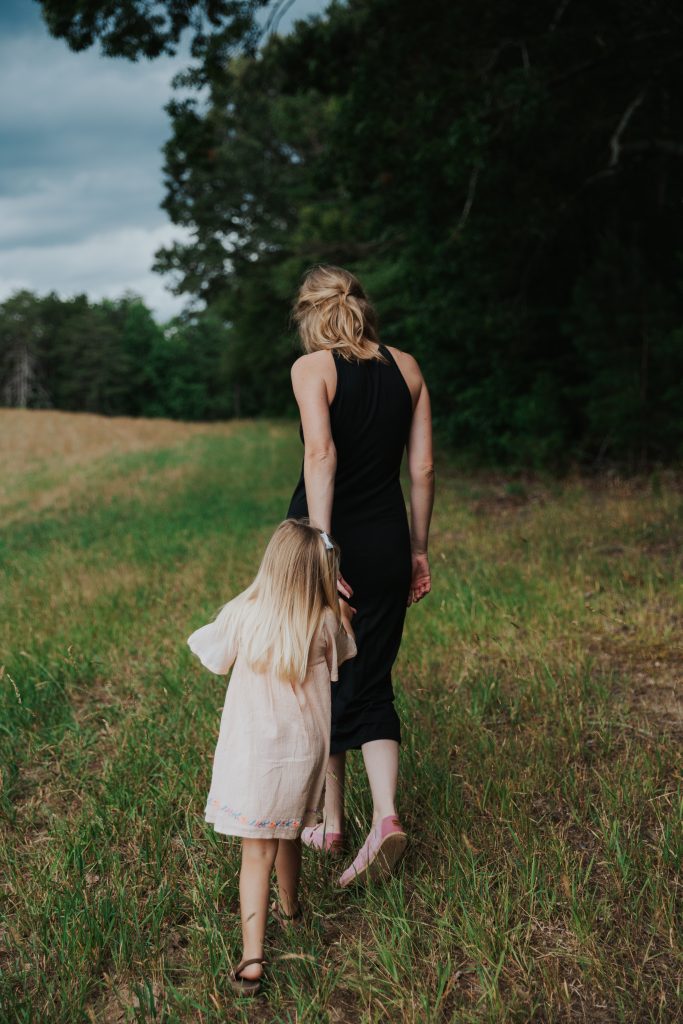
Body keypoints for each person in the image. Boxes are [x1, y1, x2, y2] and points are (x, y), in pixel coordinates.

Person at [286, 264, 435, 888]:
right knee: (370, 675)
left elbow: (321, 453)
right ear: (362, 307)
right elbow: (422, 470)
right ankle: (381, 816)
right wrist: (418, 550)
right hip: (388, 543)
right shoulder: (407, 367)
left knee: (319, 673)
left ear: (309, 314)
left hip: (324, 542)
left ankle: (331, 819)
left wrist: (323, 546)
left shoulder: (311, 368)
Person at [186, 518, 357, 996]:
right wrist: (344, 612)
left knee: (257, 851)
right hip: (302, 755)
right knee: (289, 832)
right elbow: (345, 655)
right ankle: (291, 910)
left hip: (253, 755)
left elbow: (211, 655)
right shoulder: (324, 621)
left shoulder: (243, 613)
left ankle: (252, 957)